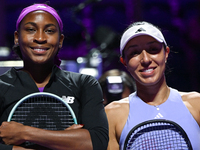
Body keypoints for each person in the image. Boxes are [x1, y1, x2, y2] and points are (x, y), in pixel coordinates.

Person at [0, 3, 108, 150]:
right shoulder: (1, 86)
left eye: (49, 31)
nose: (40, 37)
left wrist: (23, 133)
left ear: (60, 41)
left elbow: (97, 142)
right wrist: (66, 139)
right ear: (17, 37)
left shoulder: (84, 84)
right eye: (31, 29)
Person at [105, 21, 200, 150]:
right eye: (134, 52)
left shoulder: (197, 104)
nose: (145, 59)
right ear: (124, 62)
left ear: (166, 53)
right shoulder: (111, 115)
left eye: (153, 49)